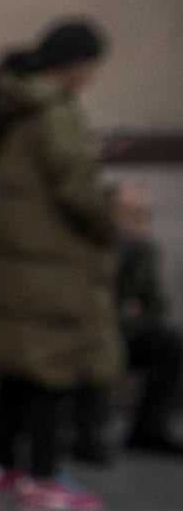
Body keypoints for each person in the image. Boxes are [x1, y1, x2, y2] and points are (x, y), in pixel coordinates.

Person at [0, 18, 123, 511]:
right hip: (51, 262)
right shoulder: (55, 110)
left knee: (19, 364)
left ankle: (2, 464)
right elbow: (76, 187)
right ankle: (42, 477)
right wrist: (112, 218)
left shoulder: (17, 103)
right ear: (76, 64)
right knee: (50, 370)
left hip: (19, 256)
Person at [110, 183, 180, 454]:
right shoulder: (100, 247)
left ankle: (149, 429)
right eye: (131, 212)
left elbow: (155, 307)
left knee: (170, 343)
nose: (138, 220)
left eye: (143, 213)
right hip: (95, 333)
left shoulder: (145, 250)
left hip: (125, 332)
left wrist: (137, 251)